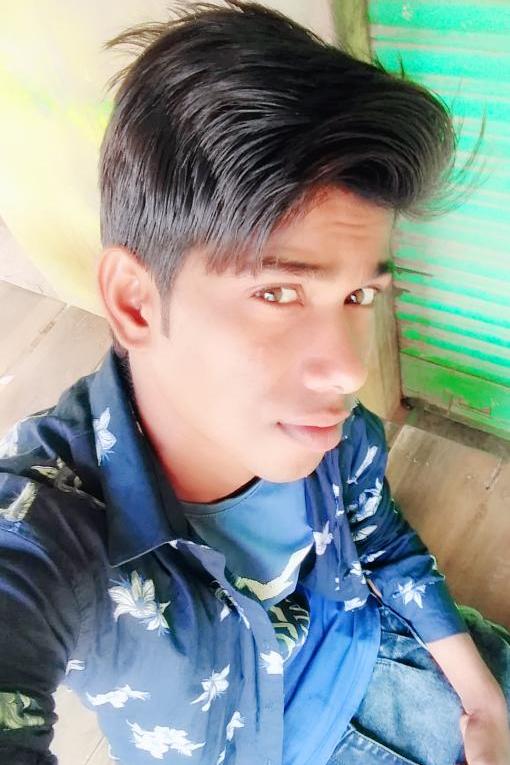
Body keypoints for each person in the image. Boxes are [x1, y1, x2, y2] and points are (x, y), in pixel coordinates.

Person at [0, 2, 508, 764]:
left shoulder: (331, 428)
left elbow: (379, 536)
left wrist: (483, 698)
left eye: (358, 294)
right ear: (136, 301)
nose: (348, 367)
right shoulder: (52, 520)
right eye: (279, 292)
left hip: (380, 645)